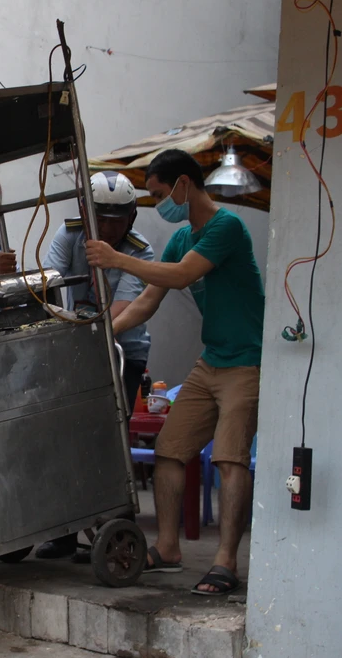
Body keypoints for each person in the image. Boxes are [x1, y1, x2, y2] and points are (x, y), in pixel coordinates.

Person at [85, 149, 264, 597]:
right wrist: (102, 336)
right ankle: (167, 548)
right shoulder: (182, 237)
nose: (159, 203)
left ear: (184, 184)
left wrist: (118, 259)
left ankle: (225, 562)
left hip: (248, 361)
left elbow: (182, 276)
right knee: (169, 451)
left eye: (160, 193)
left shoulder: (226, 227)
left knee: (230, 458)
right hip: (212, 359)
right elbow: (148, 300)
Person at [35, 170, 154, 560]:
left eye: (118, 220)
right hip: (73, 349)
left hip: (121, 352)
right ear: (86, 214)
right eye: (101, 218)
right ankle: (65, 531)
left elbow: (123, 310)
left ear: (131, 218)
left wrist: (87, 331)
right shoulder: (69, 234)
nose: (109, 227)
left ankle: (117, 530)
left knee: (109, 438)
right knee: (64, 436)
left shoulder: (140, 251)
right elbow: (49, 283)